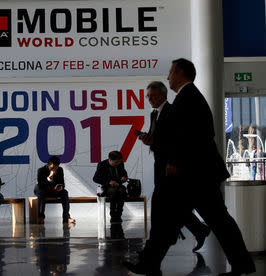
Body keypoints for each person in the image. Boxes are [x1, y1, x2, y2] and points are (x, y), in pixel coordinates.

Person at [125, 58, 255, 276]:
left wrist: (174, 162)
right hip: (195, 175)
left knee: (210, 221)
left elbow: (192, 137)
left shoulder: (188, 98)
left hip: (195, 175)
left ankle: (150, 263)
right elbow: (183, 137)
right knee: (178, 219)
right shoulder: (188, 97)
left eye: (170, 72)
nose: (168, 77)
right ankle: (150, 263)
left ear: (181, 73)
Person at [139, 81, 210, 252]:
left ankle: (156, 246)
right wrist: (150, 140)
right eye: (148, 96)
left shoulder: (172, 111)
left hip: (170, 166)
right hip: (161, 163)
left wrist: (172, 162)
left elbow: (178, 141)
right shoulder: (154, 114)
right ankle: (198, 230)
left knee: (162, 203)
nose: (150, 99)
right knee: (174, 204)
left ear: (163, 95)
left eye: (153, 95)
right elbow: (161, 139)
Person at [35, 156, 76, 224]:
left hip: (54, 190)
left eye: (57, 166)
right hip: (42, 190)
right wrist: (49, 178)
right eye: (53, 167)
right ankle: (40, 217)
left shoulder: (60, 170)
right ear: (49, 164)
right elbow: (40, 185)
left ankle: (66, 217)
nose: (55, 168)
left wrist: (60, 187)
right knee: (41, 194)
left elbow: (62, 183)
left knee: (65, 193)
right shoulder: (41, 170)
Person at [93, 151, 128, 223]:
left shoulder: (120, 164)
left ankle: (118, 214)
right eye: (116, 162)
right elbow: (95, 178)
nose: (117, 164)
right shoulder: (102, 164)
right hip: (107, 187)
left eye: (119, 162)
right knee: (114, 191)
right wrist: (108, 182)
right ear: (110, 160)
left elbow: (124, 174)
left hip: (118, 186)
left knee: (122, 191)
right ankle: (113, 215)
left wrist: (124, 178)